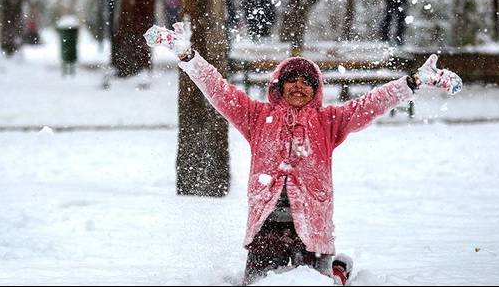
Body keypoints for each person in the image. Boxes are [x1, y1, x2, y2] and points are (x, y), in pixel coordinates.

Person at [175, 46, 459, 285]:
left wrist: (411, 83)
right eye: (292, 80)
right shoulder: (257, 117)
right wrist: (189, 57)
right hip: (267, 228)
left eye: (307, 82)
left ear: (316, 90)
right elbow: (220, 91)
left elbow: (370, 104)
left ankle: (337, 270)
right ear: (279, 86)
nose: (299, 85)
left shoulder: (328, 121)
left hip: (311, 229)